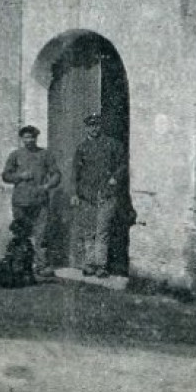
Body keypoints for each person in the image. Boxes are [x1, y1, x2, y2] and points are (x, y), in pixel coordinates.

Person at [0, 125, 61, 278]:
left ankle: (41, 265)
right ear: (22, 139)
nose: (29, 140)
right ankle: (20, 264)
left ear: (36, 138)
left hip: (40, 201)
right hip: (20, 201)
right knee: (21, 234)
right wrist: (20, 176)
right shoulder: (15, 155)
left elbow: (56, 174)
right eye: (26, 137)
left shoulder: (45, 154)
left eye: (31, 137)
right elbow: (6, 175)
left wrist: (47, 186)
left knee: (41, 235)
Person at [72, 113, 127, 277]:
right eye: (91, 125)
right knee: (89, 231)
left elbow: (123, 164)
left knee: (103, 230)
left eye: (97, 125)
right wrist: (74, 193)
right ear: (86, 127)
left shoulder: (112, 144)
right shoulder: (82, 148)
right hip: (87, 196)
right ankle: (89, 264)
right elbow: (75, 172)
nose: (94, 128)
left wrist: (115, 178)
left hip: (106, 194)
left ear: (101, 126)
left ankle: (101, 266)